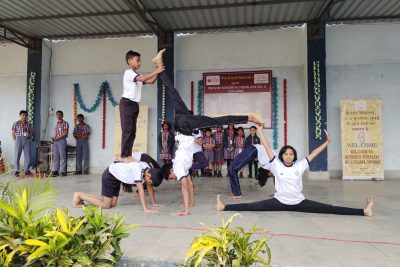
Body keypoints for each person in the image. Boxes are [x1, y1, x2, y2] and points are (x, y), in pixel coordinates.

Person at [155, 50, 263, 216]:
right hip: (181, 123)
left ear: (171, 172)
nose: (175, 180)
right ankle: (159, 66)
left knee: (216, 121)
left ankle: (249, 117)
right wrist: (189, 205)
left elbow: (185, 185)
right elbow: (189, 185)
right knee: (173, 93)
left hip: (184, 126)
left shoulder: (178, 168)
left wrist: (184, 210)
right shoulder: (183, 167)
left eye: (171, 178)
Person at [217, 124, 374, 217]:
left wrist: (327, 143)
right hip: (279, 202)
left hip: (299, 202)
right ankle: (224, 207)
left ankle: (363, 211)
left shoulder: (300, 165)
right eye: (286, 154)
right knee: (252, 206)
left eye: (291, 154)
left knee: (330, 208)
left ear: (294, 156)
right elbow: (265, 146)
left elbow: (313, 154)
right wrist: (260, 131)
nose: (288, 156)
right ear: (282, 156)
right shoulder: (276, 164)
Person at [119, 50, 165, 159]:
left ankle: (128, 155)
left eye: (140, 61)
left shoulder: (137, 75)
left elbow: (151, 81)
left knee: (132, 132)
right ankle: (124, 156)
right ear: (130, 61)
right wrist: (157, 70)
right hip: (127, 103)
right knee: (127, 130)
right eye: (137, 60)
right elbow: (144, 79)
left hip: (134, 104)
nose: (139, 63)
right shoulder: (128, 73)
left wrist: (158, 70)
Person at [72, 158, 163, 211]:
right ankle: (79, 195)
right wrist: (145, 209)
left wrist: (153, 202)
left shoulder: (148, 169)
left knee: (112, 204)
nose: (149, 184)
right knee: (106, 205)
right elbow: (141, 191)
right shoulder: (138, 170)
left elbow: (150, 187)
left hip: (117, 178)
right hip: (110, 175)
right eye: (150, 181)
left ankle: (81, 196)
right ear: (149, 175)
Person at [11, 110, 34, 177]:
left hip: (26, 140)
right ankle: (17, 170)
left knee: (27, 156)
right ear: (20, 116)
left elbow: (32, 131)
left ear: (27, 116)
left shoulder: (29, 124)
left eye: (25, 115)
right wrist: (16, 141)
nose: (24, 117)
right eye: (23, 115)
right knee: (17, 156)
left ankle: (26, 170)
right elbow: (13, 133)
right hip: (19, 139)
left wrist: (30, 136)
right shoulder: (16, 123)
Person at [52, 110, 69, 177]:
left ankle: (63, 171)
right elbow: (56, 133)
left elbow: (65, 133)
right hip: (56, 141)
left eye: (60, 114)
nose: (58, 116)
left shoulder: (65, 123)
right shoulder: (56, 123)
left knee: (62, 156)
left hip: (61, 140)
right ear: (56, 115)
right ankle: (56, 170)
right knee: (56, 157)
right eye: (57, 115)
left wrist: (58, 138)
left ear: (62, 115)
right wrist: (54, 138)